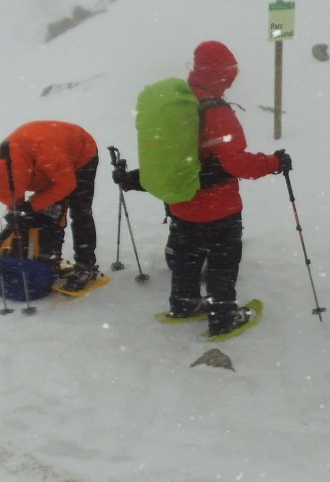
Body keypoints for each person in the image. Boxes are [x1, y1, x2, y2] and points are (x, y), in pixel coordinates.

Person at [115, 41, 291, 336]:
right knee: (223, 263)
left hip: (183, 201)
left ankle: (184, 305)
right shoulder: (216, 111)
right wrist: (273, 162)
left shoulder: (178, 103)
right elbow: (236, 163)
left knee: (187, 256)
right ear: (223, 74)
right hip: (219, 206)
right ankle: (223, 319)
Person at [0, 120, 101, 292]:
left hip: (81, 154)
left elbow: (66, 185)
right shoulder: (6, 163)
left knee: (80, 211)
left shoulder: (48, 155)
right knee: (48, 213)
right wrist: (17, 210)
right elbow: (8, 188)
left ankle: (85, 266)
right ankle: (49, 258)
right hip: (43, 162)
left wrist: (31, 205)